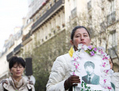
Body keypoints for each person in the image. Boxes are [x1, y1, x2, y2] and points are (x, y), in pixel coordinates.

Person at [46, 26, 91, 91]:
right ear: (72, 42)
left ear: (89, 40)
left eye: (85, 35)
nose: (82, 38)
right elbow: (49, 89)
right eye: (78, 36)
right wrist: (66, 84)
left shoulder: (99, 60)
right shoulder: (62, 60)